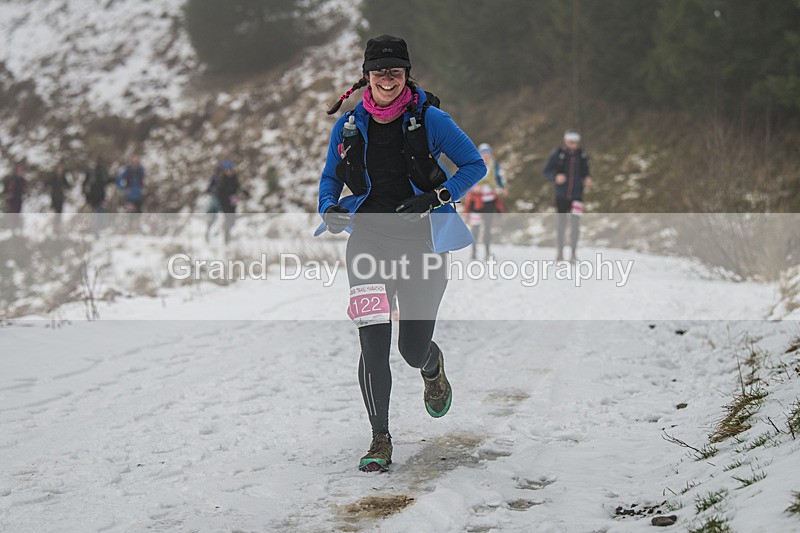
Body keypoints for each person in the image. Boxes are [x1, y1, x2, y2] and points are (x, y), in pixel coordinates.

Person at [317, 35, 486, 472]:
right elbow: (331, 178)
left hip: (423, 244)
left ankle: (431, 364)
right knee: (372, 341)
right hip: (368, 242)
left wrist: (436, 196)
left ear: (407, 74)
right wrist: (329, 208)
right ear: (366, 76)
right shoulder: (349, 124)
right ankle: (380, 437)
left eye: (395, 71)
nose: (387, 79)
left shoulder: (430, 119)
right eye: (379, 71)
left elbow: (474, 165)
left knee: (411, 349)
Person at [543, 130, 593, 262]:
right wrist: (555, 177)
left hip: (577, 195)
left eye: (575, 143)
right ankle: (560, 252)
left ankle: (573, 253)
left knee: (575, 225)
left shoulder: (582, 155)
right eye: (570, 142)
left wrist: (587, 178)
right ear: (565, 141)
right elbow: (547, 171)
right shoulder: (557, 154)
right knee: (561, 224)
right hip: (561, 195)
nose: (573, 145)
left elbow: (586, 171)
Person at [463, 143, 505, 260]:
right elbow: (467, 181)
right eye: (483, 153)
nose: (486, 156)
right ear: (480, 154)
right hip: (477, 201)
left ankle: (487, 252)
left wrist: (500, 187)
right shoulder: (474, 165)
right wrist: (475, 188)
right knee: (475, 227)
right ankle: (473, 252)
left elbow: (498, 178)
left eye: (488, 153)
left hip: (489, 201)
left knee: (487, 228)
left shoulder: (494, 165)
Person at [83, 156, 113, 234]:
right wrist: (87, 196)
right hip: (93, 197)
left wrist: (114, 179)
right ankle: (96, 230)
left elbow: (107, 181)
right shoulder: (91, 172)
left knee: (101, 213)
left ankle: (99, 229)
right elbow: (85, 184)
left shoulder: (103, 171)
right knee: (96, 214)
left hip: (102, 197)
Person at [45, 163, 71, 232]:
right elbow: (46, 183)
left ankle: (58, 226)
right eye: (58, 170)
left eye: (60, 170)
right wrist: (49, 188)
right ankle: (55, 226)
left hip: (61, 197)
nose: (59, 171)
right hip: (54, 196)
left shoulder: (63, 178)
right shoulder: (53, 177)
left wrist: (64, 187)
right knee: (56, 211)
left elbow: (68, 186)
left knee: (60, 212)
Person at [3, 163, 28, 235]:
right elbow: (7, 187)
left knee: (18, 213)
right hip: (12, 199)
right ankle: (13, 230)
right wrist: (7, 193)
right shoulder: (11, 178)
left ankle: (17, 229)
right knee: (13, 213)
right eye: (18, 169)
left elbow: (24, 188)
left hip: (19, 198)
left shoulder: (22, 179)